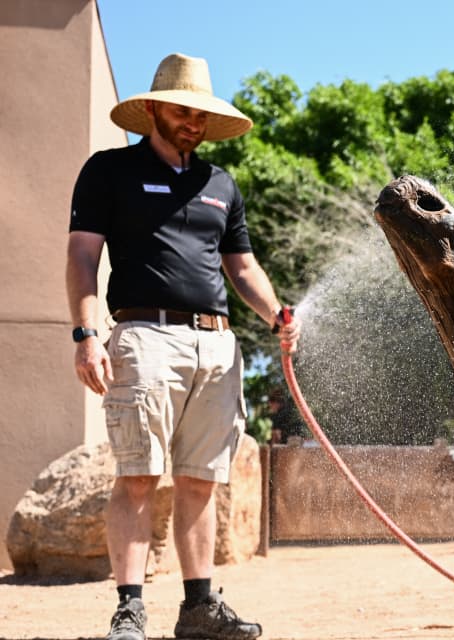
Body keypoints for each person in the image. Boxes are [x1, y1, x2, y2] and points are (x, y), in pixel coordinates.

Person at [66, 53, 300, 640]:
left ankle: (198, 608)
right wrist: (87, 333)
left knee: (201, 479)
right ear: (152, 109)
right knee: (138, 476)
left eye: (200, 114)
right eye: (181, 110)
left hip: (217, 348)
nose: (192, 122)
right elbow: (82, 257)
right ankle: (130, 609)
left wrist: (276, 315)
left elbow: (242, 267)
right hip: (143, 337)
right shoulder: (108, 170)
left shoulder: (221, 183)